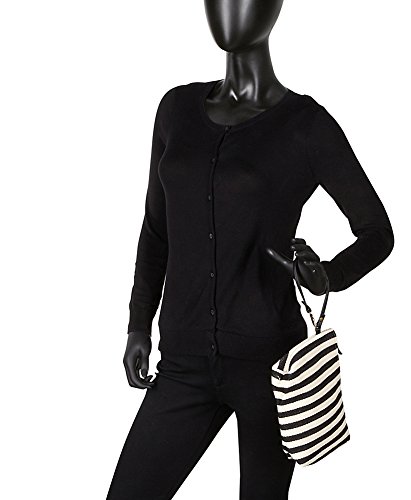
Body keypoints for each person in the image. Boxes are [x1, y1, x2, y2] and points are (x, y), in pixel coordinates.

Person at [106, 1, 394, 498]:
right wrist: (138, 324)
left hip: (271, 370)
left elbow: (377, 232)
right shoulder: (175, 110)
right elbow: (156, 231)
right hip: (183, 362)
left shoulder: (305, 125)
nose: (225, 9)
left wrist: (328, 275)